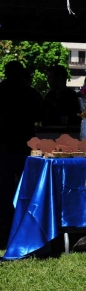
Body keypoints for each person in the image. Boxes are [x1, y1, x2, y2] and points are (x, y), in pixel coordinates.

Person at [0, 61, 44, 246]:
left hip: (3, 145)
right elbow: (42, 115)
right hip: (25, 144)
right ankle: (25, 229)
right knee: (26, 189)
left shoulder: (1, 90)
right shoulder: (29, 93)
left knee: (3, 190)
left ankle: (3, 231)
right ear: (21, 74)